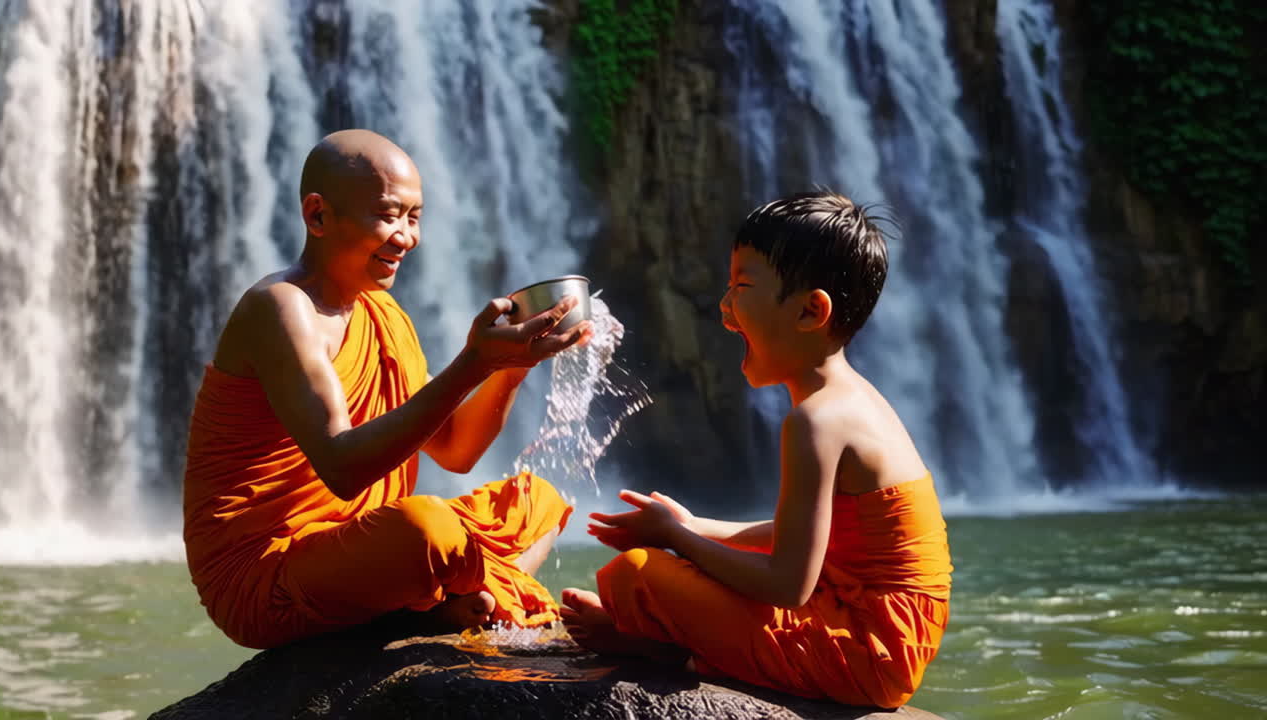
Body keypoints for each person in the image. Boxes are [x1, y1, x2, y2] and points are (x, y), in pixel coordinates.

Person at [183, 129, 590, 649]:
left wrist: (509, 366)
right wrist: (471, 363)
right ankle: (452, 596)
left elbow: (457, 451)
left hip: (360, 553)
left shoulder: (383, 313)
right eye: (388, 215)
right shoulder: (280, 308)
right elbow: (343, 468)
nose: (406, 237)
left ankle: (440, 598)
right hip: (267, 576)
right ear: (318, 216)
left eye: (414, 217)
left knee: (537, 501)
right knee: (426, 529)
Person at [561, 191, 952, 709]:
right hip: (888, 636)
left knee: (637, 574)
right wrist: (696, 526)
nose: (724, 310)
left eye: (741, 288)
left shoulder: (816, 421)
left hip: (868, 652)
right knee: (656, 572)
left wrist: (677, 538)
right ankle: (665, 641)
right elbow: (816, 539)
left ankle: (662, 652)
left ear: (811, 310)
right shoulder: (855, 401)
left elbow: (789, 583)